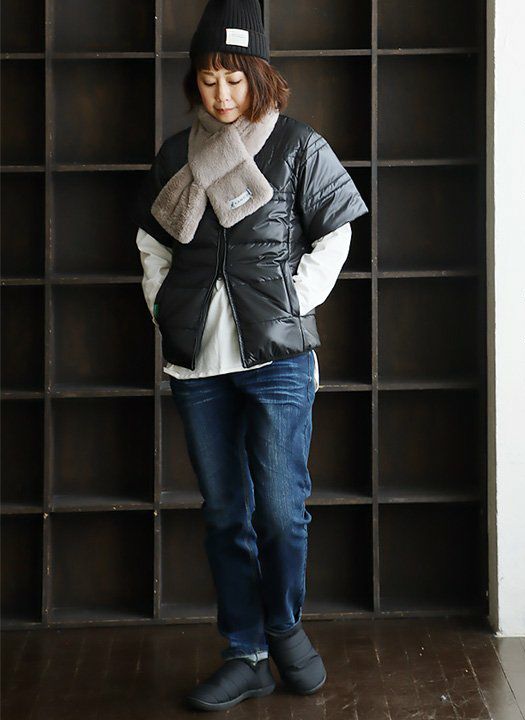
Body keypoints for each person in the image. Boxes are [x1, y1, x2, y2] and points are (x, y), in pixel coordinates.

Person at [130, 0, 369, 711]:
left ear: (259, 76)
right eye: (209, 81)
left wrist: (295, 299)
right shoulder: (177, 154)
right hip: (197, 364)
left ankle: (284, 626)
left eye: (234, 80)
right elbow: (151, 243)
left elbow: (338, 231)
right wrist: (164, 305)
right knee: (224, 513)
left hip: (278, 359)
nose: (222, 95)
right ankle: (247, 652)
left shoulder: (298, 146)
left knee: (282, 510)